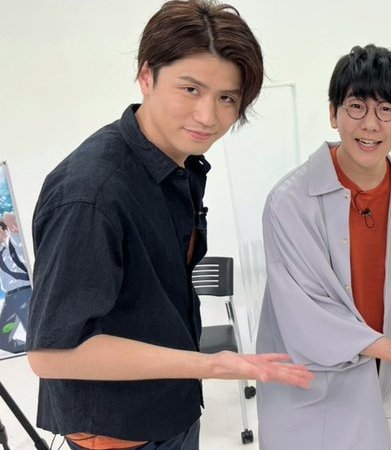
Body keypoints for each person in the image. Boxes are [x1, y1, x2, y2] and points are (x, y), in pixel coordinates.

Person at [25, 2, 313, 449]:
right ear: (147, 76)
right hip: (119, 432)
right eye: (190, 89)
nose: (208, 116)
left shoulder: (178, 166)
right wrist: (212, 365)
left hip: (171, 409)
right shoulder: (92, 193)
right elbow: (51, 355)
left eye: (227, 98)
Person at [255, 44, 391, 450]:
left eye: (386, 110)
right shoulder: (288, 202)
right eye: (356, 107)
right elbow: (306, 315)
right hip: (305, 389)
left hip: (379, 380)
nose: (370, 124)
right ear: (332, 113)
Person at [0, 214, 30, 354]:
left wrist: (10, 221)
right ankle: (32, 348)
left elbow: (16, 229)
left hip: (25, 295)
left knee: (35, 334)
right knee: (3, 341)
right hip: (10, 299)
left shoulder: (13, 243)